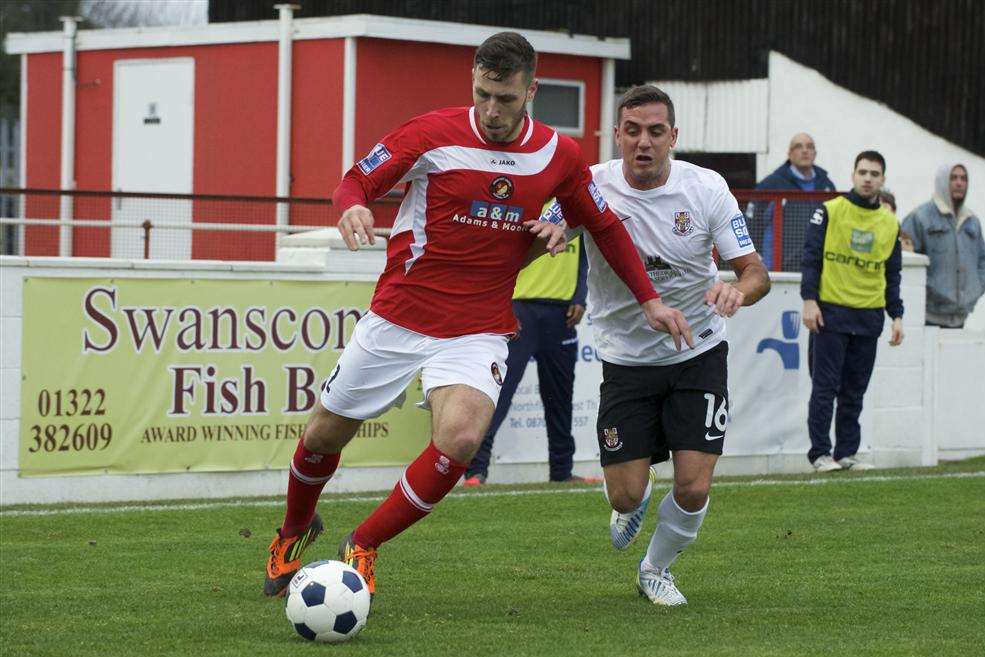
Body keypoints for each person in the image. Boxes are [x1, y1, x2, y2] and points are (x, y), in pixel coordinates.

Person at [263, 33, 693, 598]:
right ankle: (295, 529)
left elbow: (605, 225)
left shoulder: (558, 155)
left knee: (460, 438)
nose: (492, 110)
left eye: (506, 99)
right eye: (484, 94)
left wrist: (651, 299)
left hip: (479, 326)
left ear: (530, 90)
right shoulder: (431, 134)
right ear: (474, 82)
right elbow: (354, 181)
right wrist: (354, 207)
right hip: (399, 314)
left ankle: (362, 545)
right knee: (325, 431)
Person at [549, 85, 771, 606]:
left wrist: (736, 289)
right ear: (617, 136)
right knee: (624, 493)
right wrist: (553, 230)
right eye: (632, 131)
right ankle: (637, 493)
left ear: (674, 137)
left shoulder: (707, 188)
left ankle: (655, 569)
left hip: (698, 351)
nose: (643, 142)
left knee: (694, 486)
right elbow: (552, 225)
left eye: (655, 132)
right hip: (626, 359)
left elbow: (753, 270)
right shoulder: (591, 186)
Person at [463, 228, 597, 485]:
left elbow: (582, 256)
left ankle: (562, 471)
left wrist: (580, 296)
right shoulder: (529, 203)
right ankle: (476, 470)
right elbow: (500, 257)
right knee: (500, 392)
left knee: (559, 397)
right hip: (520, 309)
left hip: (562, 313)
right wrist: (504, 305)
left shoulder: (573, 205)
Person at [801, 150, 904, 473]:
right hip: (830, 312)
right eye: (863, 172)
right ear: (853, 174)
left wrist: (896, 315)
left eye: (875, 173)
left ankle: (846, 452)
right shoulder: (830, 211)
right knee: (825, 388)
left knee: (854, 391)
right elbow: (811, 257)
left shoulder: (890, 223)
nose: (868, 178)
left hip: (869, 315)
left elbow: (893, 273)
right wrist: (809, 300)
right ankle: (820, 453)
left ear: (883, 179)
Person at [902, 164, 985, 329]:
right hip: (926, 317)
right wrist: (930, 292)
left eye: (963, 178)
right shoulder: (919, 217)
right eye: (953, 177)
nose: (959, 183)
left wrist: (976, 290)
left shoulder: (972, 221)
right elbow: (907, 263)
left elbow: (982, 261)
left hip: (960, 317)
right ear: (942, 181)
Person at [752, 133, 837, 270]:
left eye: (809, 147)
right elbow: (752, 221)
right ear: (789, 154)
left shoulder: (826, 185)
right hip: (779, 267)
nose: (805, 151)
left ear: (815, 153)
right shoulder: (771, 184)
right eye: (798, 146)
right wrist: (755, 254)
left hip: (817, 267)